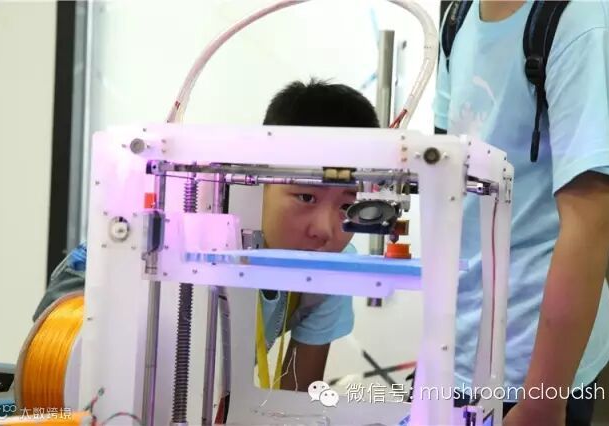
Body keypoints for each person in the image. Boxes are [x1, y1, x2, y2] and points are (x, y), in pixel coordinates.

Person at [34, 78, 380, 392]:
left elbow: (295, 404)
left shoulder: (333, 268)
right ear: (259, 179)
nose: (325, 230)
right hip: (98, 304)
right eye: (306, 197)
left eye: (348, 206)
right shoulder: (193, 236)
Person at [433, 1, 609, 425]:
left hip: (534, 368)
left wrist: (541, 401)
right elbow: (449, 181)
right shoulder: (458, 17)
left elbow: (590, 222)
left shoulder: (583, 20)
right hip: (458, 351)